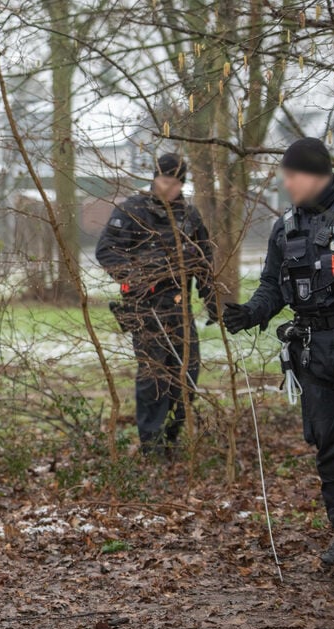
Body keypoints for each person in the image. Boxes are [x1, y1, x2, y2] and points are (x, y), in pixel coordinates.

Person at [223, 138, 334, 577]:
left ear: (315, 174)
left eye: (291, 176)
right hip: (312, 348)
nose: (287, 184)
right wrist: (252, 312)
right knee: (328, 442)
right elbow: (273, 285)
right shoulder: (286, 227)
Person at [96, 153, 217, 454]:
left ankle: (171, 438)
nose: (168, 188)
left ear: (182, 184)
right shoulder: (133, 210)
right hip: (145, 307)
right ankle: (151, 445)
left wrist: (211, 299)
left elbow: (204, 260)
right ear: (154, 178)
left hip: (180, 307)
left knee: (187, 375)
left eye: (175, 183)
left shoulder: (189, 216)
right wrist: (142, 274)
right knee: (153, 378)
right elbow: (106, 251)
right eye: (164, 180)